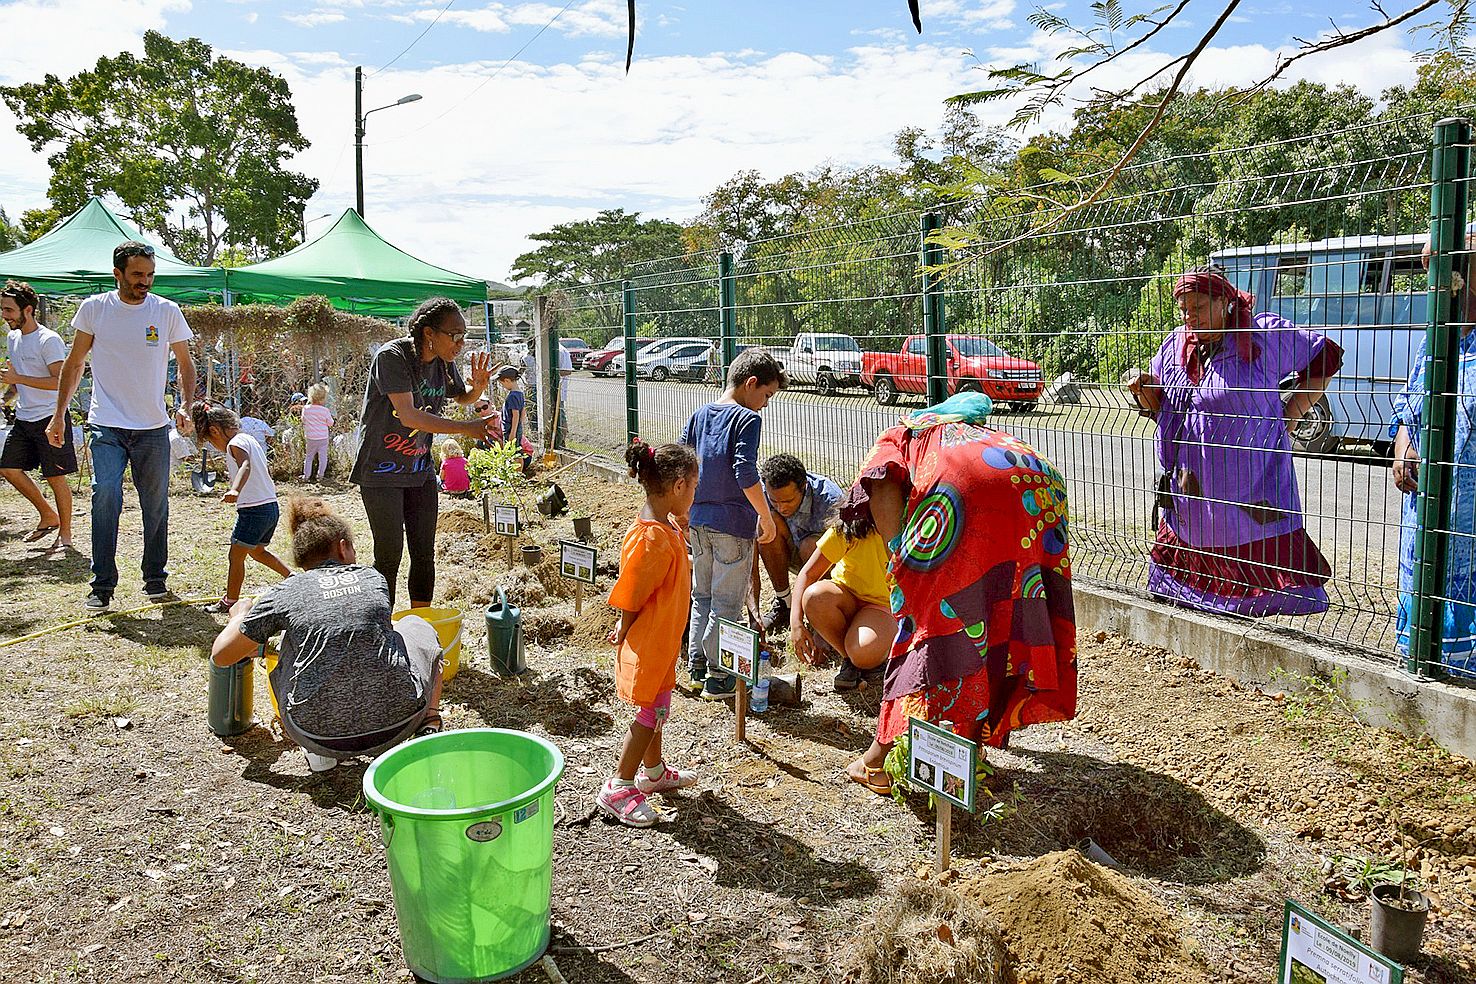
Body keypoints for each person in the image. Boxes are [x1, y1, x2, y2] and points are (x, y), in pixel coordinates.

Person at [839, 393, 1078, 796]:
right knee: (997, 620)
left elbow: (881, 486)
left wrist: (902, 562)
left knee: (931, 629)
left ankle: (876, 760)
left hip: (961, 497)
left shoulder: (903, 435)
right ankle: (969, 748)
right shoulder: (986, 438)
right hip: (1036, 488)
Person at [1124, 264, 1343, 617]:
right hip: (1192, 481)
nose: (1189, 317)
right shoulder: (1175, 345)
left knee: (1252, 526)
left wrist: (1292, 413)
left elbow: (1325, 357)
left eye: (1197, 308)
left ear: (1225, 302)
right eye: (1183, 310)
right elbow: (1159, 405)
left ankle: (1262, 604)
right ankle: (1193, 597)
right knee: (1196, 530)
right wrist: (1143, 388)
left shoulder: (1263, 337)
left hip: (1252, 475)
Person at [209, 497, 444, 773]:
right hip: (400, 723)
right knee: (417, 625)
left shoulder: (286, 593)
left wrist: (240, 616)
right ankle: (429, 720)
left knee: (289, 640)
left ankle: (317, 754)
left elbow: (222, 656)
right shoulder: (372, 578)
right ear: (343, 549)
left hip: (315, 733)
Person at [48, 241, 196, 611]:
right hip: (107, 424)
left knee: (155, 504)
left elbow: (185, 363)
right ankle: (102, 585)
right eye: (136, 275)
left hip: (152, 427)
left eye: (149, 275)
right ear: (117, 274)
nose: (144, 282)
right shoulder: (95, 309)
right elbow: (75, 362)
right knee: (106, 496)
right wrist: (58, 414)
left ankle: (154, 578)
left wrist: (186, 405)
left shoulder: (167, 311)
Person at [351, 297, 495, 609]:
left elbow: (462, 397)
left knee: (423, 552)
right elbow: (409, 415)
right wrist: (466, 428)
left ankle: (421, 624)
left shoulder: (444, 364)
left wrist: (479, 388)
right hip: (380, 471)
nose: (460, 343)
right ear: (429, 333)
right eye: (454, 335)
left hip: (419, 471)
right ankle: (382, 628)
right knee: (388, 554)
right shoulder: (392, 357)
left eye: (464, 335)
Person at [598, 439, 702, 827]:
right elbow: (633, 591)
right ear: (678, 487)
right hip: (650, 638)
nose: (694, 493)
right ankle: (620, 785)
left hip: (663, 638)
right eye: (693, 486)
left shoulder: (664, 527)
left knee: (659, 703)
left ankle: (654, 771)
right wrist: (623, 628)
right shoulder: (653, 538)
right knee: (650, 710)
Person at [1388, 235, 1476, 678]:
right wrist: (1404, 448)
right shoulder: (1437, 345)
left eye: (1449, 279)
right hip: (1424, 514)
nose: (1440, 292)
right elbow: (1408, 409)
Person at [682, 350, 786, 700]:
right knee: (726, 602)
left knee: (702, 597)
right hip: (732, 525)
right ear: (751, 383)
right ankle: (718, 675)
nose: (766, 405)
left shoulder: (699, 415)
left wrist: (683, 512)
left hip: (698, 522)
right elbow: (745, 472)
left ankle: (695, 667)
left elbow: (683, 465)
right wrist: (766, 517)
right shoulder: (746, 419)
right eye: (767, 395)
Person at [790, 484, 894, 691]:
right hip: (845, 597)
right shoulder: (849, 527)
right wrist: (796, 623)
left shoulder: (905, 529)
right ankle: (848, 658)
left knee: (864, 654)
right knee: (814, 596)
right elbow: (808, 574)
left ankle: (861, 655)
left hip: (881, 606)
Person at [191, 402, 292, 612]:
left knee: (235, 556)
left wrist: (235, 490)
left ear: (215, 430)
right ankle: (292, 578)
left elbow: (245, 465)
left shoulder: (234, 444)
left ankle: (230, 601)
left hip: (253, 510)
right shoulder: (249, 439)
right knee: (257, 551)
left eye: (211, 440)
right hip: (270, 506)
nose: (214, 445)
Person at [0, 281, 75, 553]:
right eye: (3, 310)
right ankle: (48, 515)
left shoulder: (49, 340)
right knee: (8, 468)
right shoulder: (13, 338)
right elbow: (17, 382)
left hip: (50, 417)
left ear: (28, 310)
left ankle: (65, 534)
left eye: (9, 310)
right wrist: (5, 397)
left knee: (56, 478)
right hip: (24, 418)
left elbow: (59, 382)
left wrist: (18, 378)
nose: (4, 316)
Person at [755, 453, 843, 632]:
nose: (782, 507)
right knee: (767, 522)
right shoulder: (763, 493)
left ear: (804, 486)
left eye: (788, 500)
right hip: (790, 550)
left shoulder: (830, 499)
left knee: (810, 545)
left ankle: (820, 608)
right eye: (775, 501)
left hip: (824, 563)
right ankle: (784, 603)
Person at [496, 365, 532, 474]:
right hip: (515, 427)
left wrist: (513, 432)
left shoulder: (512, 396)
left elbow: (516, 415)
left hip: (511, 428)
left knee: (514, 452)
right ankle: (516, 474)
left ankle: (517, 474)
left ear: (507, 380)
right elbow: (523, 412)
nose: (502, 386)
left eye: (502, 383)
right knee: (515, 450)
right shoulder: (519, 393)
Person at [300, 384, 334, 482]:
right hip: (323, 438)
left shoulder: (306, 409)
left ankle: (306, 476)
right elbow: (330, 423)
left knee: (309, 457)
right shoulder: (325, 411)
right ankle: (320, 475)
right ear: (323, 398)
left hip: (310, 437)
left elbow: (303, 420)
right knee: (323, 457)